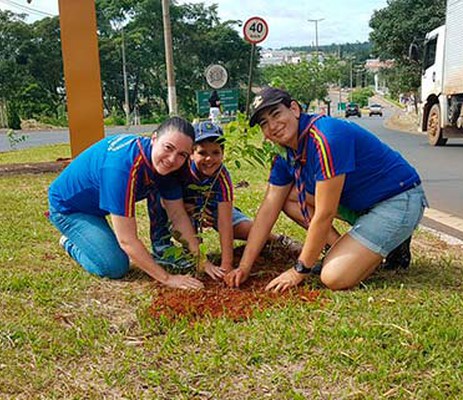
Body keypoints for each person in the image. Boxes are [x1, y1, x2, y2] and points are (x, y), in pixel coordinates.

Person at [224, 87, 428, 292]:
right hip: (363, 204)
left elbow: (325, 213)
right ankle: (347, 249)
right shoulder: (286, 154)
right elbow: (268, 209)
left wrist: (299, 269)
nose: (273, 126)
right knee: (288, 196)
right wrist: (244, 266)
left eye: (276, 114)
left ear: (294, 109)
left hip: (398, 199)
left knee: (333, 277)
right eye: (264, 123)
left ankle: (375, 249)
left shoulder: (325, 137)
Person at [47, 117, 205, 290]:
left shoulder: (169, 167)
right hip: (69, 208)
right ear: (154, 139)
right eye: (168, 147)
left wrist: (200, 261)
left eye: (182, 154)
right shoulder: (122, 167)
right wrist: (167, 279)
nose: (172, 159)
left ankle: (92, 235)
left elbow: (177, 215)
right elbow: (127, 240)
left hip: (96, 206)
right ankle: (71, 243)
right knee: (115, 266)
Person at [148, 121, 292, 280]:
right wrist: (191, 209)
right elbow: (167, 204)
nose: (209, 159)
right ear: (191, 153)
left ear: (223, 153)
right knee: (180, 226)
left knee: (245, 229)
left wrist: (227, 264)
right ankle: (165, 249)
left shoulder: (221, 177)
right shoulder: (180, 168)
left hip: (214, 208)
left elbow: (225, 222)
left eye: (216, 152)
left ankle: (280, 240)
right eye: (202, 153)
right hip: (182, 210)